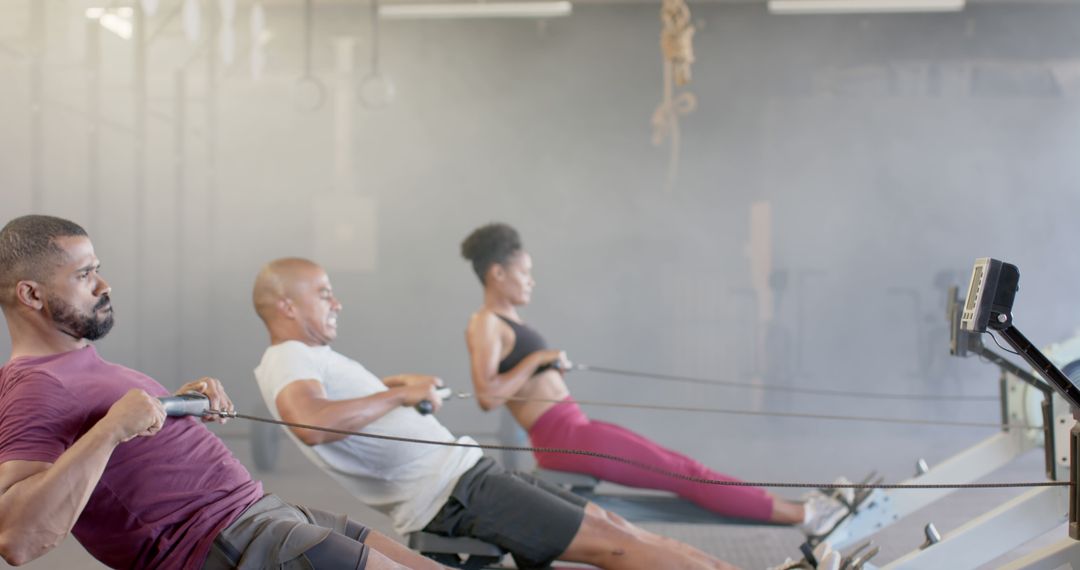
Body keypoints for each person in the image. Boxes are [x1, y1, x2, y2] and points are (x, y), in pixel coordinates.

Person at [0, 215, 440, 570]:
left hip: (265, 514)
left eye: (98, 269)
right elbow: (17, 538)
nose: (104, 285)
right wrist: (112, 429)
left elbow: (116, 443)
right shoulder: (34, 387)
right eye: (84, 275)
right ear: (31, 295)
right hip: (232, 542)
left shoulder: (75, 366)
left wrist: (177, 405)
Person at [252, 257, 737, 570]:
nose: (337, 302)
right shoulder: (289, 357)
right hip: (454, 494)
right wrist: (401, 396)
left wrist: (399, 387)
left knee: (615, 527)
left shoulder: (308, 358)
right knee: (612, 543)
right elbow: (311, 421)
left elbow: (341, 408)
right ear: (287, 306)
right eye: (323, 293)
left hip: (467, 476)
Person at [460, 222, 844, 533]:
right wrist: (537, 361)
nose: (531, 281)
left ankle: (801, 509)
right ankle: (805, 516)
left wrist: (541, 366)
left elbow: (518, 381)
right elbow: (487, 396)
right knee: (685, 475)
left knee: (687, 468)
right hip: (563, 438)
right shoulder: (485, 323)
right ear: (497, 273)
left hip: (574, 428)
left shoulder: (507, 321)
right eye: (524, 273)